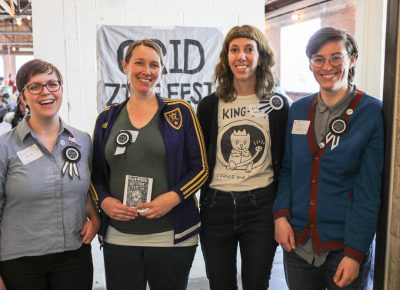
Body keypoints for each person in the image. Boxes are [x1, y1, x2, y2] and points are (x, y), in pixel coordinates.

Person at [91, 39, 208, 290]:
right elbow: (95, 175)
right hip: (119, 236)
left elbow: (201, 169)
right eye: (139, 63)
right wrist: (104, 201)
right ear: (125, 65)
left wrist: (173, 198)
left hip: (171, 236)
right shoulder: (106, 119)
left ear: (161, 70)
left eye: (154, 65)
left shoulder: (180, 112)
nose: (147, 71)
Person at [273, 27, 383, 290]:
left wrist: (356, 252)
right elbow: (288, 170)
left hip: (343, 248)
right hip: (298, 245)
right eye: (318, 59)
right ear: (310, 64)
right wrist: (280, 216)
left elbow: (369, 191)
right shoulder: (298, 110)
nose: (327, 66)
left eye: (336, 57)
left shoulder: (371, 112)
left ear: (352, 58)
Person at [197, 25, 290, 290]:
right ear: (226, 57)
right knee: (220, 283)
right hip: (216, 206)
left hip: (261, 206)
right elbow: (201, 159)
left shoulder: (277, 105)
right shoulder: (209, 105)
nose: (242, 56)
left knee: (257, 283)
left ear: (261, 55)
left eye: (249, 49)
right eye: (234, 50)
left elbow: (285, 163)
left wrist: (282, 211)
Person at [0, 59, 100, 290]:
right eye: (35, 87)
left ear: (61, 90)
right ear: (23, 96)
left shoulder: (82, 141)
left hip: (73, 256)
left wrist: (95, 219)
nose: (46, 92)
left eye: (52, 84)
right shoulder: (5, 147)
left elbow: (85, 189)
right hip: (20, 260)